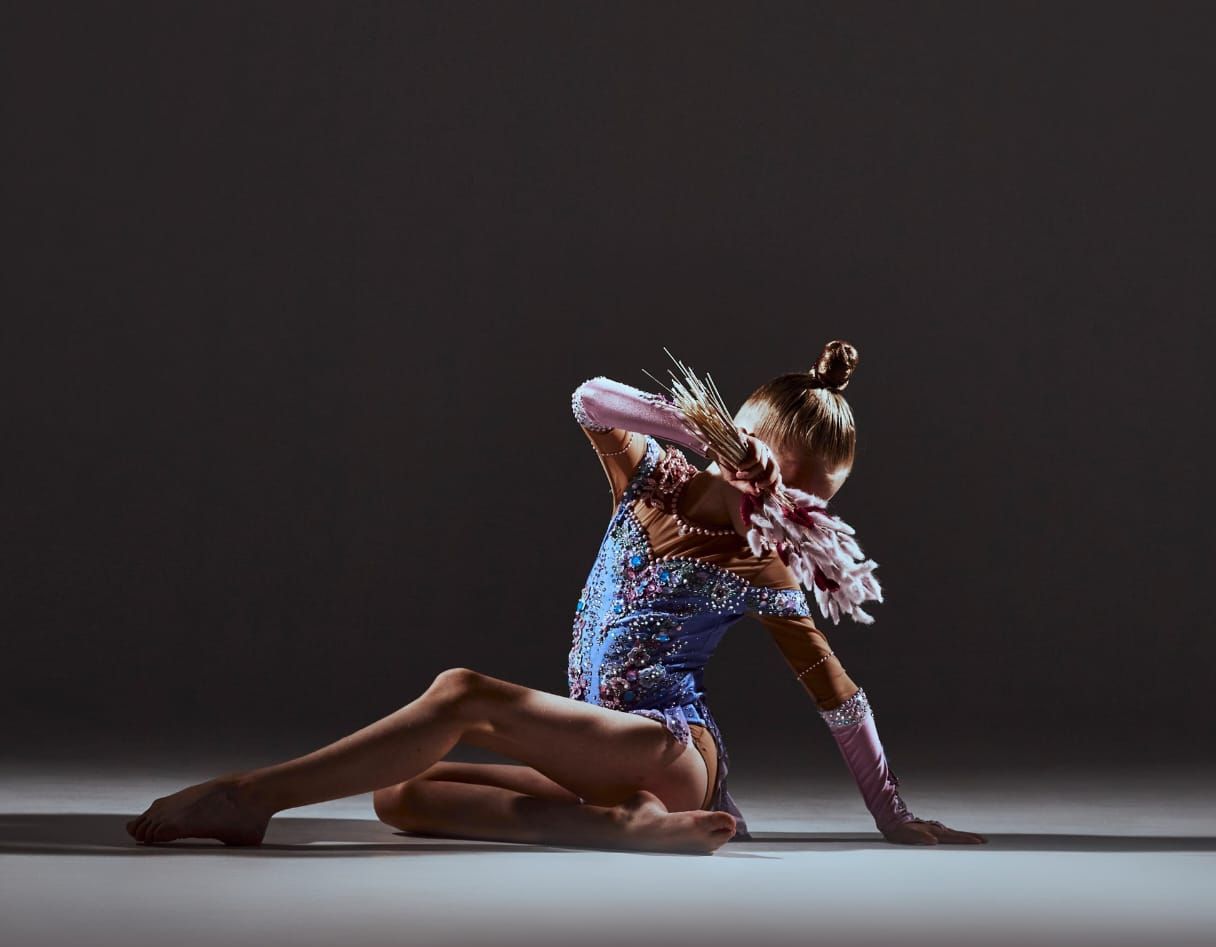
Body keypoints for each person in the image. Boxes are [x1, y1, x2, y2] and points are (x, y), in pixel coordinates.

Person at [126, 340, 984, 853]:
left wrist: (893, 814)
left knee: (461, 692)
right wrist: (704, 433)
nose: (784, 510)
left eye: (809, 504)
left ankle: (250, 798)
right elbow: (590, 400)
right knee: (401, 794)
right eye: (778, 484)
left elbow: (837, 694)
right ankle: (620, 828)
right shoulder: (650, 479)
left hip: (669, 751)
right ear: (737, 449)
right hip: (597, 750)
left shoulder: (765, 563)